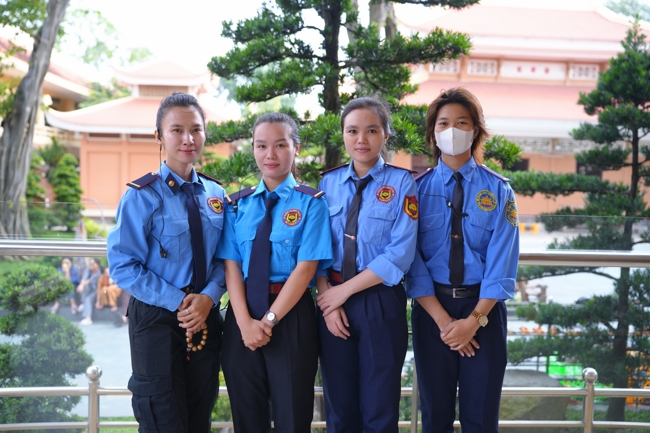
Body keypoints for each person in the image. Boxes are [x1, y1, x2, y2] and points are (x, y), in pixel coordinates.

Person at [107, 92, 227, 433]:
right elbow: (123, 265)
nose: (188, 139)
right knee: (161, 416)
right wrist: (179, 301)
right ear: (159, 136)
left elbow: (226, 259)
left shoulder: (217, 196)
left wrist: (208, 298)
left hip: (204, 314)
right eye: (177, 130)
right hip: (156, 315)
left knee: (199, 412)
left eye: (196, 129)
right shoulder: (141, 196)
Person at [405, 87, 520, 433]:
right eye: (443, 123)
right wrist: (445, 323)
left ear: (476, 130)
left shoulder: (499, 190)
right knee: (434, 415)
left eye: (461, 122)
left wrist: (473, 321)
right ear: (432, 133)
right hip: (432, 311)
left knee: (481, 418)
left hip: (484, 312)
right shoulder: (415, 190)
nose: (452, 130)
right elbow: (411, 259)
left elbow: (502, 263)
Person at [216, 112, 332, 432]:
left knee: (292, 417)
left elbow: (306, 269)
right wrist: (244, 323)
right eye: (261, 145)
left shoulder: (312, 204)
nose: (270, 154)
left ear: (296, 148)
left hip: (290, 317)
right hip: (242, 317)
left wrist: (268, 321)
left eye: (280, 145)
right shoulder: (237, 205)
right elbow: (231, 266)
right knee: (247, 418)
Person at [315, 97, 418, 432]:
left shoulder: (402, 183)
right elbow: (316, 248)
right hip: (332, 302)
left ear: (385, 135)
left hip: (379, 300)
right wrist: (328, 300)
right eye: (353, 131)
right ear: (343, 135)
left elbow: (400, 253)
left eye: (372, 131)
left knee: (379, 408)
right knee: (339, 408)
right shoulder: (327, 184)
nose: (362, 139)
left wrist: (342, 292)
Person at [76, 258, 101, 326]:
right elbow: (84, 279)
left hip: (97, 292)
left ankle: (88, 319)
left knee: (88, 299)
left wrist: (81, 285)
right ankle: (83, 303)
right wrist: (81, 285)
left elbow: (89, 281)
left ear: (98, 265)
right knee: (84, 286)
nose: (91, 265)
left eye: (93, 263)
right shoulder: (88, 270)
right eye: (90, 263)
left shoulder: (99, 272)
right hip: (88, 290)